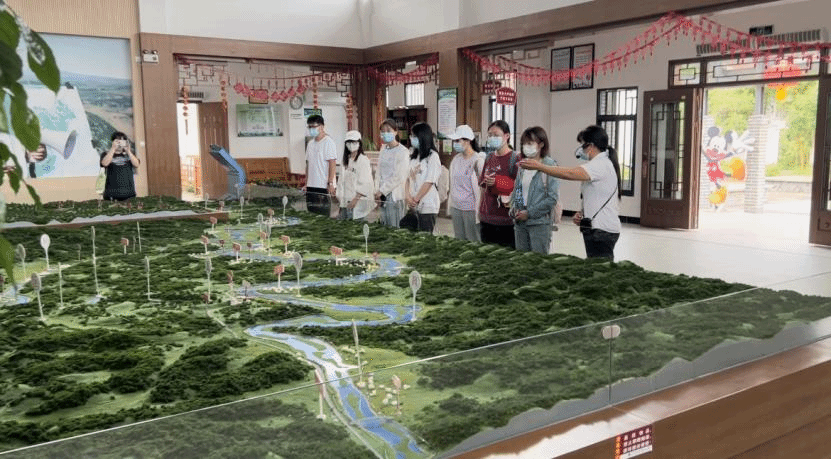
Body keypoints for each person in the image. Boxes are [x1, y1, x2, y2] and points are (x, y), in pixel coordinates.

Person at [520, 124, 621, 260]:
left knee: (600, 268)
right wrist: (583, 214)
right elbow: (596, 197)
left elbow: (570, 173)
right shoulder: (602, 163)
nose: (580, 149)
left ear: (591, 146)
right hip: (597, 228)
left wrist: (541, 167)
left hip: (602, 230)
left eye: (582, 145)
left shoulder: (600, 164)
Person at [510, 127, 559, 254]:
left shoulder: (550, 165)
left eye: (530, 143)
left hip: (539, 223)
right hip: (520, 223)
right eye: (524, 144)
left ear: (541, 144)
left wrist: (529, 213)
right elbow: (517, 190)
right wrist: (514, 208)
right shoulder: (523, 165)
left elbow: (552, 198)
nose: (526, 147)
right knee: (521, 260)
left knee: (537, 261)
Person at [478, 120, 519, 248]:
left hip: (506, 220)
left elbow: (520, 187)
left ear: (507, 136)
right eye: (490, 135)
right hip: (487, 219)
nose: (492, 138)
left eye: (496, 135)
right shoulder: (489, 157)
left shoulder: (515, 158)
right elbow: (483, 186)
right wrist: (480, 209)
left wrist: (498, 182)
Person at [446, 124, 485, 241]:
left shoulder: (478, 160)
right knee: (459, 239)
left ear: (468, 141)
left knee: (473, 240)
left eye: (458, 140)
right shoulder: (456, 159)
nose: (455, 144)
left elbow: (483, 187)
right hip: (456, 206)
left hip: (471, 209)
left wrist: (481, 209)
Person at [402, 122, 441, 233]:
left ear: (423, 137)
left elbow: (429, 181)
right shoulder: (413, 156)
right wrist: (407, 196)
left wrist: (416, 199)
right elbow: (407, 178)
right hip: (413, 204)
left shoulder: (433, 157)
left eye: (414, 136)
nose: (411, 138)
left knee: (424, 236)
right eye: (411, 135)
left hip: (427, 205)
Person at [374, 118, 410, 227]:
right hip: (381, 194)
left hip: (394, 194)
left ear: (395, 132)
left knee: (395, 226)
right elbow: (378, 171)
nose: (385, 133)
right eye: (383, 131)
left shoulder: (403, 151)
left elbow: (399, 176)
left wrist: (383, 190)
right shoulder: (383, 149)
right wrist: (377, 190)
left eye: (388, 130)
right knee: (384, 225)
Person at [303, 114, 337, 217]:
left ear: (321, 126)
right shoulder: (310, 144)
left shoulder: (328, 142)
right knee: (311, 214)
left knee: (322, 216)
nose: (311, 129)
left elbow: (332, 163)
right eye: (309, 127)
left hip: (323, 186)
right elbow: (308, 164)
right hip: (311, 185)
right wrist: (306, 183)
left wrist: (330, 183)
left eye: (314, 126)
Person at [336, 130, 374, 221]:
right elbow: (341, 181)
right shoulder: (345, 160)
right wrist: (340, 200)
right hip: (344, 202)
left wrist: (355, 200)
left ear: (359, 143)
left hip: (357, 203)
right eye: (348, 142)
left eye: (354, 142)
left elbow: (365, 183)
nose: (351, 145)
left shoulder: (363, 160)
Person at [100, 131, 139, 201]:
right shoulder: (106, 154)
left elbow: (136, 164)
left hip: (129, 194)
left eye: (122, 141)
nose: (120, 143)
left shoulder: (130, 154)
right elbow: (104, 163)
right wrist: (113, 149)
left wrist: (128, 151)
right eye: (118, 141)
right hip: (111, 195)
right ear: (113, 142)